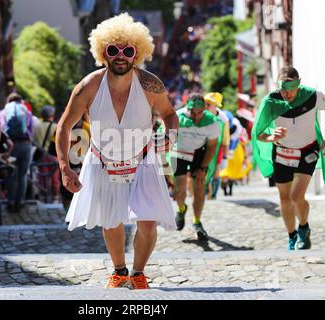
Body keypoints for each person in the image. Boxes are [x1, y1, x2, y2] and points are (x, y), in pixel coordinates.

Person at [56, 13, 179, 290]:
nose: (120, 56)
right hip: (102, 162)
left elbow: (170, 115)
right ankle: (119, 271)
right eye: (113, 50)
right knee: (111, 221)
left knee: (147, 223)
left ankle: (138, 273)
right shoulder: (88, 86)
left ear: (138, 54)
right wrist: (65, 167)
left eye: (128, 50)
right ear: (103, 53)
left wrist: (170, 136)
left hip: (143, 161)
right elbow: (64, 127)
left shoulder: (151, 85)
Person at [252, 66, 325, 251]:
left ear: (298, 84)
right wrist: (271, 137)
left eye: (290, 88)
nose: (286, 93)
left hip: (308, 151)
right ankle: (292, 236)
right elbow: (257, 134)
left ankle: (304, 226)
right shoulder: (271, 101)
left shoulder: (313, 96)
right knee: (284, 199)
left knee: (296, 196)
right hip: (282, 153)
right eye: (282, 88)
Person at [169, 93, 222, 240]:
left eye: (200, 113)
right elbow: (165, 139)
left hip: (199, 153)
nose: (197, 116)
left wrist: (203, 168)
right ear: (188, 108)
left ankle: (197, 222)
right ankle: (181, 209)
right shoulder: (177, 117)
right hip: (179, 152)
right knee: (178, 191)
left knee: (199, 188)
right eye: (193, 112)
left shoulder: (211, 121)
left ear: (205, 109)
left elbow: (212, 146)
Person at [2, 93, 34, 213]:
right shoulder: (26, 111)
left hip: (11, 146)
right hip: (25, 144)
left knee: (11, 174)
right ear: (21, 101)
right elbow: (31, 131)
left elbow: (2, 130)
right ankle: (20, 202)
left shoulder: (4, 112)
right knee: (23, 174)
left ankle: (10, 201)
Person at [204, 92, 230, 199]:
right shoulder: (202, 114)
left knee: (216, 171)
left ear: (215, 106)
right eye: (205, 104)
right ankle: (205, 191)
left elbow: (225, 139)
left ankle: (213, 194)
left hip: (217, 148)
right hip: (203, 146)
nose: (206, 106)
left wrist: (225, 156)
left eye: (208, 104)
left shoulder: (223, 119)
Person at [33, 105, 60, 202]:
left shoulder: (36, 127)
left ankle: (42, 196)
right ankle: (55, 198)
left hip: (40, 155)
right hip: (53, 155)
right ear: (52, 114)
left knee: (42, 177)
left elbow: (34, 141)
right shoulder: (56, 126)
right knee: (55, 178)